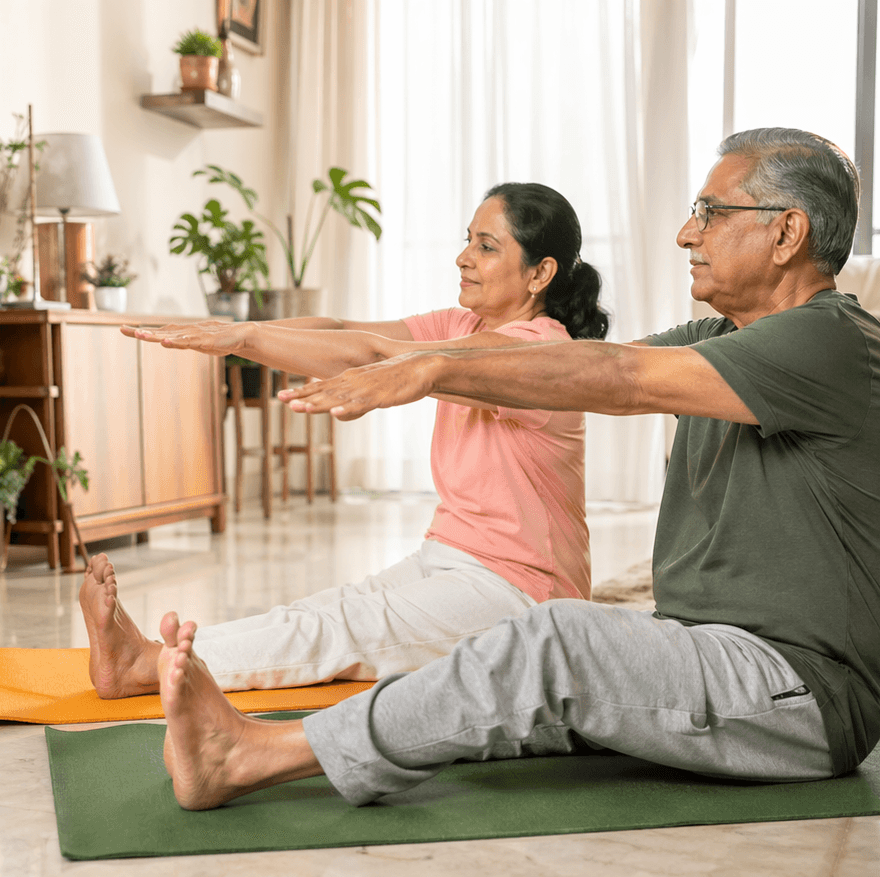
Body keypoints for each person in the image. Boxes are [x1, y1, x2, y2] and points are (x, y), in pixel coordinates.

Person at [151, 127, 880, 811]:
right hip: (716, 660)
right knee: (527, 659)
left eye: (710, 211)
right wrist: (280, 340)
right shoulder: (718, 337)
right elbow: (587, 362)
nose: (686, 232)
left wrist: (426, 370)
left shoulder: (830, 340)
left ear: (786, 231)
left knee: (554, 636)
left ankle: (256, 755)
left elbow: (618, 378)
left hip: (796, 696)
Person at [81, 182, 611, 698]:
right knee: (319, 612)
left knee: (342, 630)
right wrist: (237, 331)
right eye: (468, 239)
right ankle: (149, 653)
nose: (463, 257)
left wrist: (246, 337)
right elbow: (341, 329)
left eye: (486, 246)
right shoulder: (463, 324)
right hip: (450, 555)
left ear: (541, 273)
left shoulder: (543, 352)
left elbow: (382, 357)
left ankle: (144, 666)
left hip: (524, 593)